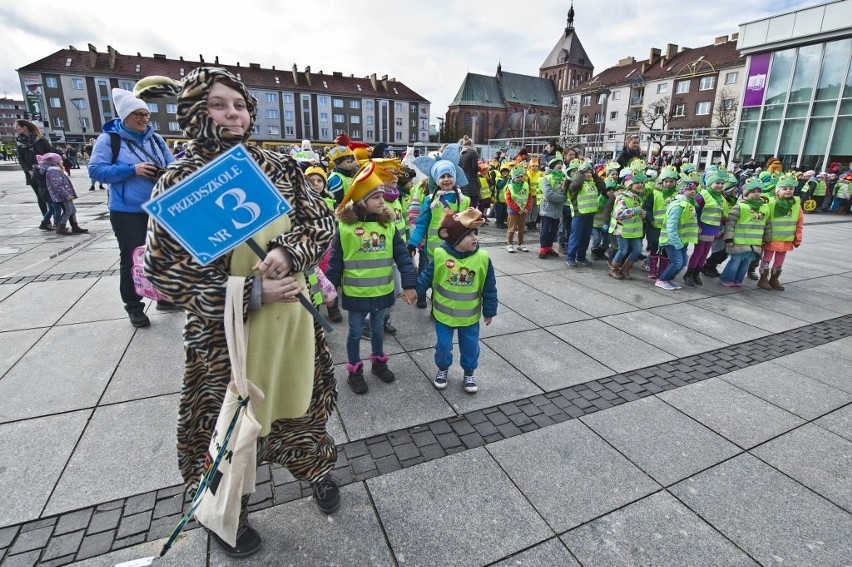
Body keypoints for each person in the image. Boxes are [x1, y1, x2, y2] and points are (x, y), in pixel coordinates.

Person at [140, 67, 341, 557]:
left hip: (291, 325)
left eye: (240, 104)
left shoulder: (277, 166)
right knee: (226, 428)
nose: (233, 113)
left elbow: (321, 221)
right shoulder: (179, 181)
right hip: (223, 337)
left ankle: (314, 468)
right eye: (218, 104)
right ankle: (226, 512)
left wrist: (291, 252)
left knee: (302, 409)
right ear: (194, 112)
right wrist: (249, 291)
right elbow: (164, 275)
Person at [88, 88, 177, 328]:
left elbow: (174, 166)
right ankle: (134, 305)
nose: (143, 119)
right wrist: (132, 170)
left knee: (163, 255)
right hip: (127, 211)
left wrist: (169, 172)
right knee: (132, 258)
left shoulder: (156, 140)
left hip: (158, 209)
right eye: (137, 114)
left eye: (146, 114)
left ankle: (163, 296)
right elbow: (95, 171)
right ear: (125, 116)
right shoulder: (110, 140)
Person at [326, 162, 417, 394]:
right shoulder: (345, 229)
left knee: (377, 330)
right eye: (376, 197)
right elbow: (335, 261)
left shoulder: (388, 226)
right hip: (356, 294)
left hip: (383, 291)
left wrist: (409, 284)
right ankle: (354, 372)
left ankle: (378, 364)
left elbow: (403, 257)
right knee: (355, 332)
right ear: (361, 201)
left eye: (382, 196)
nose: (382, 201)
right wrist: (330, 289)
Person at [417, 208, 497, 393]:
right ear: (455, 238)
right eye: (468, 234)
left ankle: (469, 372)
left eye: (475, 233)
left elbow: (489, 286)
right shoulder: (440, 255)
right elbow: (426, 277)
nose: (474, 238)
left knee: (470, 347)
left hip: (469, 317)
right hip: (444, 316)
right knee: (443, 347)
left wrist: (490, 310)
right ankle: (442, 369)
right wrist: (414, 292)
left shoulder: (483, 258)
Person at [719, 178, 770, 287]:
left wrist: (766, 238)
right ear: (746, 193)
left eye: (759, 191)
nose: (756, 194)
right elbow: (730, 223)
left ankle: (738, 280)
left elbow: (767, 225)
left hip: (754, 242)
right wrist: (728, 238)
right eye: (753, 191)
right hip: (739, 241)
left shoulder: (764, 208)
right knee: (736, 261)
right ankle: (727, 278)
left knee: (746, 263)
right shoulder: (740, 206)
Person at [683, 169, 729, 286]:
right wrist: (696, 225)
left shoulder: (721, 198)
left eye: (722, 183)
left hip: (712, 229)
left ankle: (696, 273)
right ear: (709, 183)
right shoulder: (702, 195)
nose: (720, 185)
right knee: (698, 252)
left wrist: (720, 229)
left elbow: (720, 215)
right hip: (702, 227)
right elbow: (695, 211)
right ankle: (689, 274)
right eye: (717, 183)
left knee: (705, 253)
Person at [757, 173, 803, 291]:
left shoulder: (796, 204)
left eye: (791, 189)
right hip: (771, 238)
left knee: (780, 260)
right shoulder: (771, 203)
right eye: (784, 189)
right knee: (766, 258)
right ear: (777, 190)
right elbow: (764, 220)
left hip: (786, 239)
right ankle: (763, 278)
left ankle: (774, 278)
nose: (788, 191)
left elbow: (799, 223)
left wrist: (797, 238)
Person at [655, 179, 698, 290]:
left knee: (683, 262)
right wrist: (676, 242)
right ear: (682, 190)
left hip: (681, 240)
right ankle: (662, 279)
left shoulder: (688, 204)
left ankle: (668, 279)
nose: (693, 191)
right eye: (689, 189)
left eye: (694, 189)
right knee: (678, 262)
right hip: (671, 240)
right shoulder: (678, 205)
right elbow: (671, 226)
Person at [35, 153, 88, 235]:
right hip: (61, 195)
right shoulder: (53, 171)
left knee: (72, 210)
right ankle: (61, 227)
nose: (62, 161)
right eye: (60, 160)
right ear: (55, 162)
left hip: (65, 194)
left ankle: (75, 226)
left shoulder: (55, 170)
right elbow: (57, 185)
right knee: (68, 210)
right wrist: (66, 195)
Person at [566, 160, 606, 266]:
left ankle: (581, 257)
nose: (589, 174)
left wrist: (595, 174)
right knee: (576, 237)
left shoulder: (592, 182)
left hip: (590, 214)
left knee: (585, 238)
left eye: (590, 172)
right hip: (579, 214)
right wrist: (580, 173)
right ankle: (570, 257)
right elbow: (575, 186)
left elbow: (603, 186)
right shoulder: (575, 183)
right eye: (586, 172)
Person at [608, 170, 647, 279]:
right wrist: (635, 210)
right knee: (623, 250)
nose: (640, 185)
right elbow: (618, 214)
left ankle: (625, 269)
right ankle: (613, 269)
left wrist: (643, 214)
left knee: (638, 250)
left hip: (634, 231)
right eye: (637, 183)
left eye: (641, 183)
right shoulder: (622, 197)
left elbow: (638, 211)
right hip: (622, 230)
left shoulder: (638, 197)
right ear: (630, 185)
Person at [15, 119, 53, 220]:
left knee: (49, 196)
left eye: (17, 126)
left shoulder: (40, 138)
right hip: (32, 173)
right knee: (40, 197)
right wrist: (28, 170)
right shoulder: (19, 142)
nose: (15, 128)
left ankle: (56, 220)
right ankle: (46, 221)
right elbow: (21, 158)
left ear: (24, 127)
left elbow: (50, 153)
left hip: (45, 171)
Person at [538, 153, 567, 258]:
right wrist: (562, 199)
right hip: (547, 208)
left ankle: (549, 247)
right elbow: (549, 194)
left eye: (561, 163)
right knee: (545, 230)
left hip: (557, 210)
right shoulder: (547, 178)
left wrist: (562, 197)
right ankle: (543, 248)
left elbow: (566, 192)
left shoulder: (564, 178)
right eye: (557, 163)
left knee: (554, 230)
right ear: (552, 165)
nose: (560, 165)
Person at [505, 165, 532, 253]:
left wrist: (527, 208)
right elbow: (509, 200)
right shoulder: (510, 186)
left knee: (521, 229)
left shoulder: (526, 185)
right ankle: (509, 244)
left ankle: (520, 244)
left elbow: (529, 197)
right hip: (514, 211)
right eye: (517, 177)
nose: (520, 178)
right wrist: (518, 209)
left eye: (521, 176)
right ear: (513, 177)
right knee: (511, 229)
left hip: (523, 211)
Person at [458, 135, 481, 211]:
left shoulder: (461, 154)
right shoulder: (473, 153)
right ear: (472, 144)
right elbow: (475, 168)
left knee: (465, 207)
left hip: (463, 184)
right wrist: (480, 168)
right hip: (472, 184)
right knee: (472, 207)